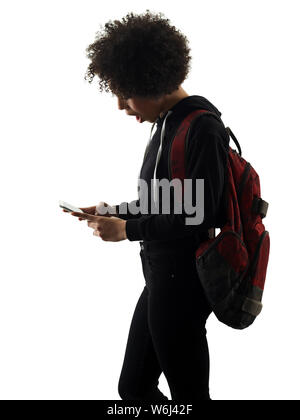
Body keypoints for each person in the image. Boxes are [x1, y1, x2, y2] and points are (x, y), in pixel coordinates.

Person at [67, 10, 229, 401]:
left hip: (186, 282)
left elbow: (201, 214)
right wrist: (113, 212)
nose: (122, 106)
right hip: (161, 277)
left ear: (150, 80)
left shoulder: (203, 126)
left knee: (189, 396)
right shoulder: (166, 124)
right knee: (134, 386)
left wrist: (127, 231)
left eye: (125, 93)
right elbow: (160, 202)